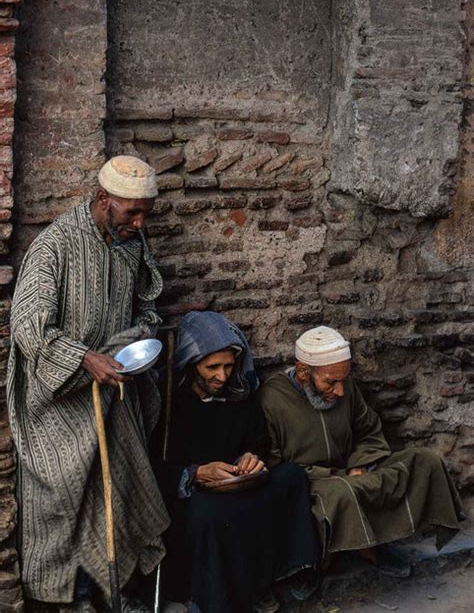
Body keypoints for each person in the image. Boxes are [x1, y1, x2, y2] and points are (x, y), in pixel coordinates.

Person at [7, 156, 170, 612]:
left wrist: (142, 333)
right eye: (131, 213)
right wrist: (83, 358)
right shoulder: (53, 246)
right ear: (102, 200)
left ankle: (110, 592)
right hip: (60, 402)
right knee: (61, 503)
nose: (139, 224)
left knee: (115, 497)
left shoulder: (131, 243)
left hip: (113, 393)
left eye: (145, 214)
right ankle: (60, 599)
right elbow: (29, 326)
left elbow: (146, 305)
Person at [259, 326, 464, 578]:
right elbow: (275, 464)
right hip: (313, 481)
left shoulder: (345, 388)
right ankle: (357, 551)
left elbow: (369, 431)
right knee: (342, 492)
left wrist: (360, 464)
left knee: (424, 460)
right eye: (331, 382)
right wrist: (334, 474)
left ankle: (369, 540)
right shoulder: (272, 398)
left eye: (343, 381)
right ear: (303, 371)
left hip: (354, 471)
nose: (340, 391)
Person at [153, 311, 321, 613]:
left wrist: (250, 458)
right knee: (210, 515)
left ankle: (284, 576)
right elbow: (154, 468)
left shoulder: (239, 398)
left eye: (228, 366)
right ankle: (221, 599)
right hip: (199, 495)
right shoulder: (171, 409)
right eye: (212, 367)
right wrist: (196, 472)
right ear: (192, 365)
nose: (222, 376)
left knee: (293, 476)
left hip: (240, 485)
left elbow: (257, 441)